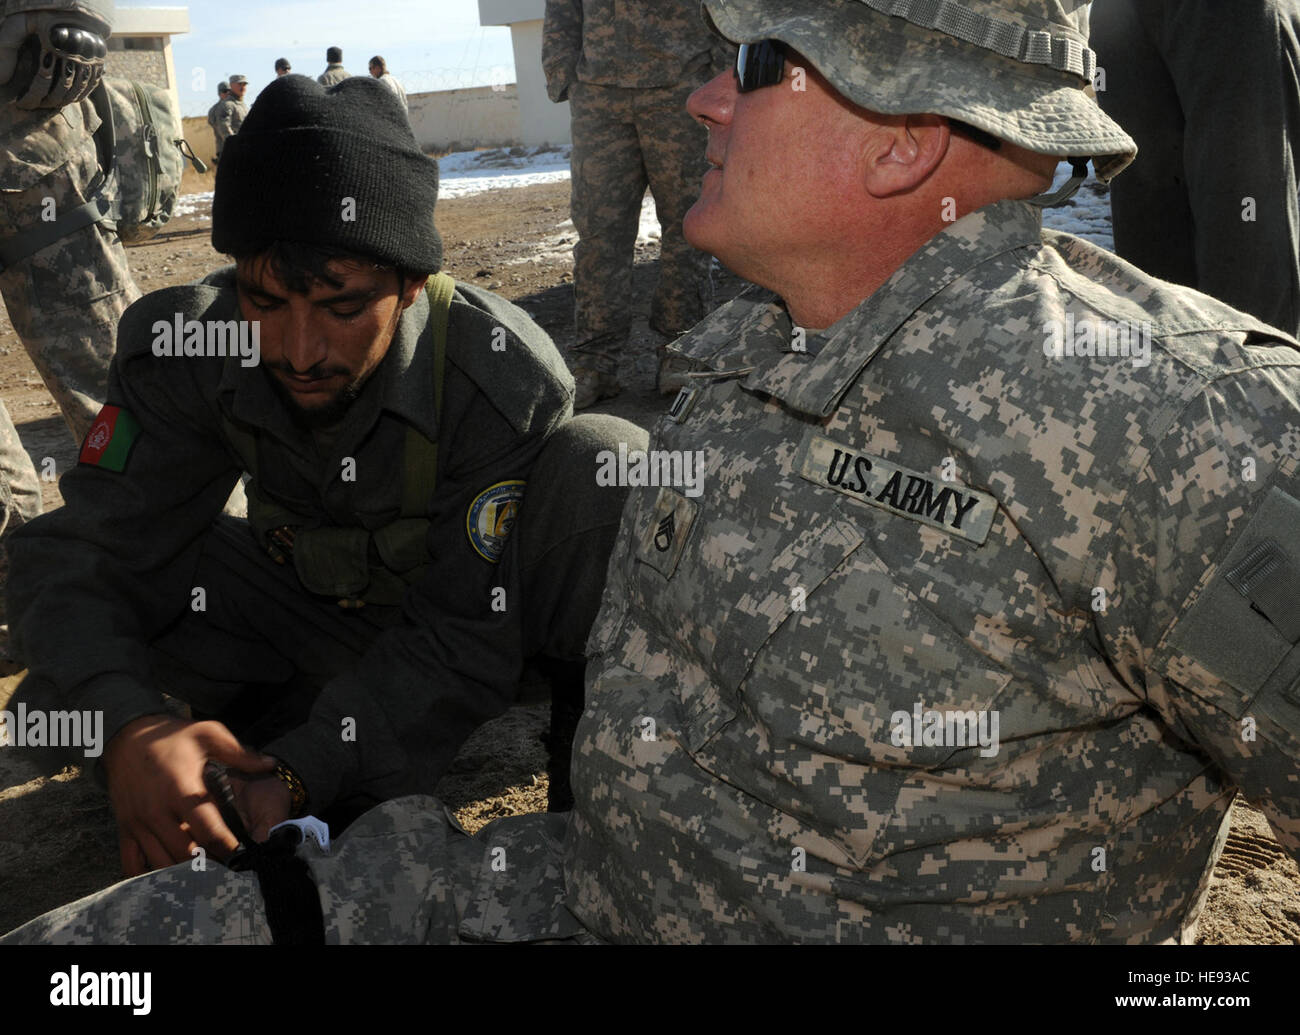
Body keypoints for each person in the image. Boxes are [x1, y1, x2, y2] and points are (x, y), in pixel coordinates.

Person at [9, 0, 1300, 946]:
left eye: (751, 64)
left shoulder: (1182, 418)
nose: (699, 97)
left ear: (904, 135)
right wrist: (161, 732)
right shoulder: (738, 359)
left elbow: (468, 637)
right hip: (581, 891)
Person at [1, 74, 641, 888]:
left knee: (603, 468)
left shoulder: (494, 378)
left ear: (410, 284)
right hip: (306, 622)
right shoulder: (190, 346)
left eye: (342, 307)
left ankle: (579, 801)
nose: (299, 350)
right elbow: (80, 555)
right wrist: (130, 726)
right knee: (61, 694)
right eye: (267, 301)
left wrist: (299, 770)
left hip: (460, 638)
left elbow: (457, 640)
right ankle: (209, 775)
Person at [0, 0, 140, 542]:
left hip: (23, 129)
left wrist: (63, 12)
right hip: (27, 131)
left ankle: (209, 571)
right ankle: (26, 589)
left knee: (118, 391)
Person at [542, 0, 726, 408]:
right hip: (599, 99)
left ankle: (682, 350)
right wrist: (565, 76)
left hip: (681, 90)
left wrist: (719, 77)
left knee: (688, 229)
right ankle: (595, 362)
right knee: (598, 235)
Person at [1090, 0, 1300, 339]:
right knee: (1148, 260)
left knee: (1245, 266)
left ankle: (1255, 388)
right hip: (1123, 13)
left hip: (1228, 15)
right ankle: (1174, 385)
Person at [206, 80, 229, 162]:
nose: (227, 93)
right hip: (223, 148)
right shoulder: (215, 109)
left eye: (229, 91)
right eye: (225, 91)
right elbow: (219, 128)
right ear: (219, 93)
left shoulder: (233, 106)